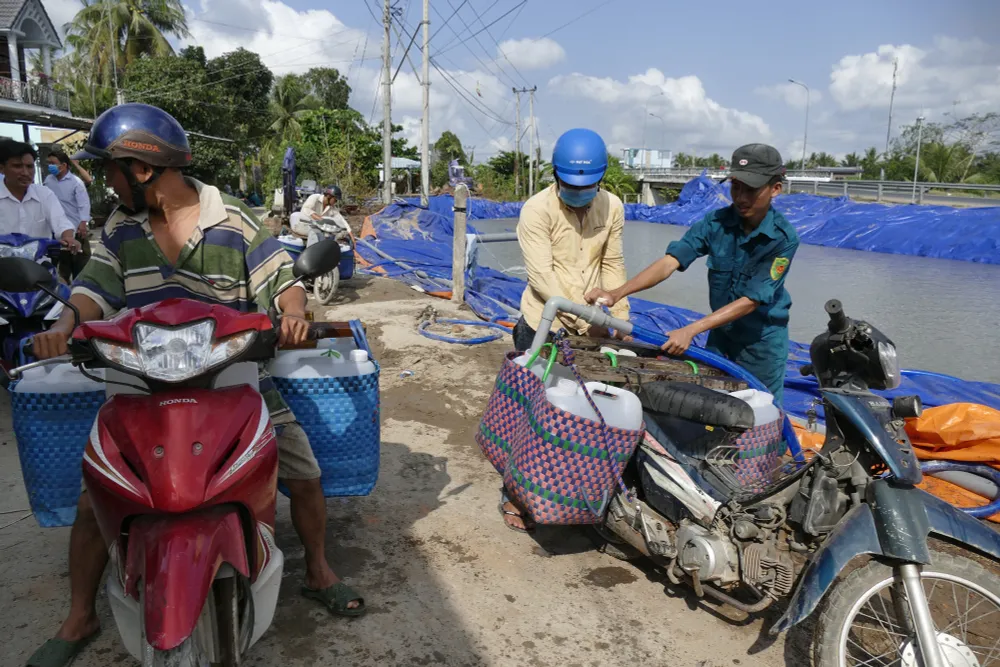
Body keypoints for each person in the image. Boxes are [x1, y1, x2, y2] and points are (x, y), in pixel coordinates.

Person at [25, 103, 364, 667]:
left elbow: (281, 279)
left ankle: (320, 567)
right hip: (138, 383)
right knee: (95, 498)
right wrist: (62, 328)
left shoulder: (231, 217)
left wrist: (295, 314)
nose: (103, 180)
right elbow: (91, 288)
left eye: (109, 168)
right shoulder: (120, 228)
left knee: (302, 472)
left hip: (232, 375)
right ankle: (80, 612)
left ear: (141, 168)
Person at [586, 143, 799, 405]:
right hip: (721, 334)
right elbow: (670, 262)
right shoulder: (715, 223)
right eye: (735, 186)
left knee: (762, 411)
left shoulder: (782, 238)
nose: (741, 197)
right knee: (716, 403)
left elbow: (751, 300)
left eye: (751, 190)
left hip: (761, 344)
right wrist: (616, 293)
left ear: (775, 188)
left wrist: (691, 330)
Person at [500, 128, 630, 533]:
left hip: (593, 324)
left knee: (581, 415)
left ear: (600, 179)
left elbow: (614, 265)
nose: (578, 193)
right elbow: (542, 278)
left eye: (587, 187)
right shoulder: (536, 210)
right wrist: (586, 319)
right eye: (570, 186)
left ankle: (571, 493)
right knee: (531, 414)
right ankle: (514, 497)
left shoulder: (613, 207)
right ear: (554, 176)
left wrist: (620, 313)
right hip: (544, 323)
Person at [0, 141, 81, 254]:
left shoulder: (44, 194)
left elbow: (61, 222)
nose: (25, 173)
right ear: (2, 168)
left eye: (30, 166)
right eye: (17, 166)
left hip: (38, 267)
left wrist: (68, 237)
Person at [44, 148, 92, 281]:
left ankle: (81, 291)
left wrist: (83, 224)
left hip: (76, 228)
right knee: (63, 265)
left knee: (80, 264)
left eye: (53, 163)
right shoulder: (48, 180)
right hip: (58, 230)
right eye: (49, 163)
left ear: (64, 165)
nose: (50, 166)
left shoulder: (76, 182)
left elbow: (84, 204)